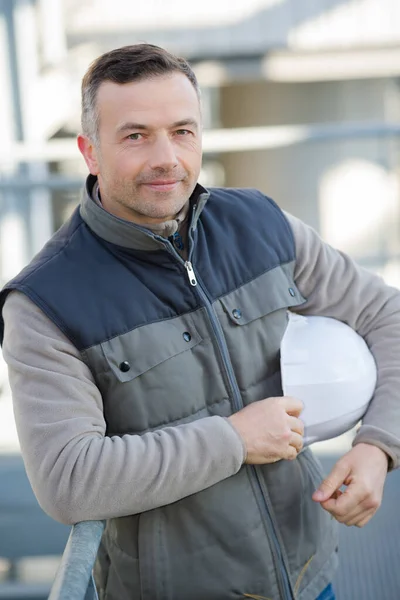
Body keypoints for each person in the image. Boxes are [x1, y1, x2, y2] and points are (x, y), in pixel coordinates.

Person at [0, 44, 399, 600]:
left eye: (182, 131)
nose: (167, 157)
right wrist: (234, 439)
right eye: (136, 135)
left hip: (311, 577)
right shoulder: (45, 303)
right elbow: (70, 479)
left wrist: (378, 446)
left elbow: (388, 315)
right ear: (90, 152)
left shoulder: (260, 224)